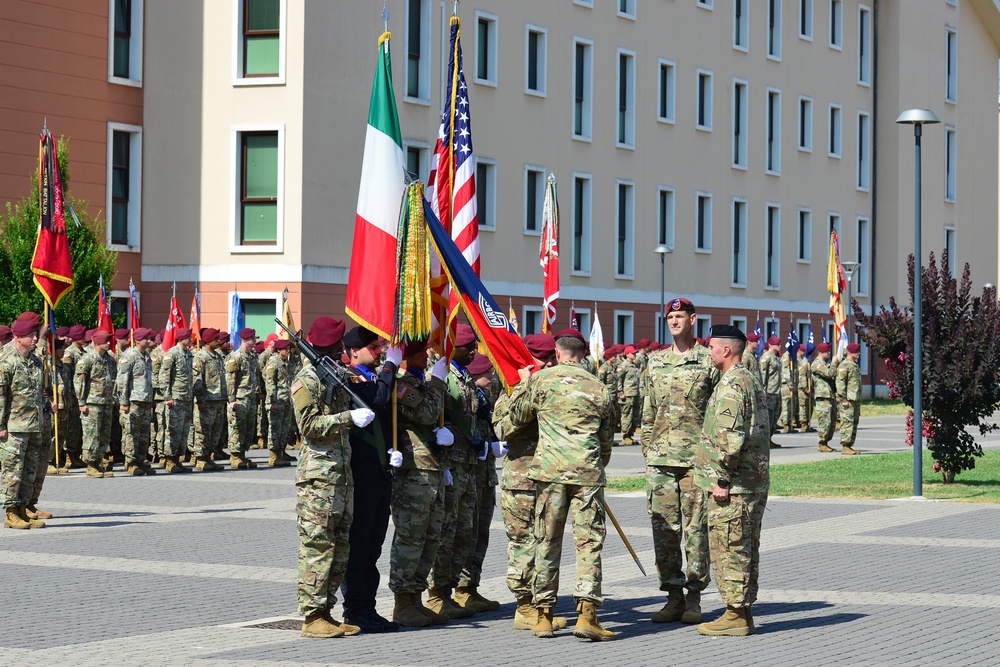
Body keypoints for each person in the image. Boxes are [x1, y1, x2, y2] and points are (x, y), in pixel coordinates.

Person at [506, 329, 615, 641]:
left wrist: (524, 385)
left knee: (546, 542)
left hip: (549, 473)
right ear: (582, 354)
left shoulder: (542, 380)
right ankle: (587, 616)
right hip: (588, 475)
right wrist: (594, 465)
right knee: (589, 544)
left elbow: (516, 416)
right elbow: (606, 441)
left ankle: (542, 616)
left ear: (557, 353)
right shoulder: (599, 387)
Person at [292, 316, 373, 638]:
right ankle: (312, 617)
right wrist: (347, 417)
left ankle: (327, 612)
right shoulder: (307, 380)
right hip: (318, 478)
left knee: (339, 547)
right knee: (318, 546)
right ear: (335, 344)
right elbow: (309, 426)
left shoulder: (332, 375)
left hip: (341, 475)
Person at [641, 297, 719, 624]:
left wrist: (712, 457)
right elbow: (648, 411)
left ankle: (694, 598)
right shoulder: (655, 361)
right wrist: (648, 447)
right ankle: (673, 596)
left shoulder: (708, 361)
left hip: (695, 461)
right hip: (660, 460)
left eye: (680, 316)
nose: (674, 321)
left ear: (692, 319)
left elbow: (717, 413)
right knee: (665, 531)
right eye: (670, 316)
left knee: (697, 531)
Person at [696, 324, 770, 637]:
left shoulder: (732, 385)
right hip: (751, 481)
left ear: (726, 350)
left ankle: (735, 614)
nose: (708, 351)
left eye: (711, 346)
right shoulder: (748, 377)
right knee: (744, 546)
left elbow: (730, 437)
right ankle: (744, 610)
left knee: (730, 546)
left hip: (735, 485)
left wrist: (722, 478)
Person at [492, 332, 567, 632]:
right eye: (542, 358)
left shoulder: (557, 388)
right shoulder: (512, 390)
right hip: (521, 480)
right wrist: (525, 392)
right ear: (527, 360)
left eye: (552, 358)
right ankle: (524, 606)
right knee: (523, 542)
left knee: (546, 543)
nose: (548, 363)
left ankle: (542, 604)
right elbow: (501, 428)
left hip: (552, 478)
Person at [340, 325, 401, 633]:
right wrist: (391, 365)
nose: (380, 352)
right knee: (359, 545)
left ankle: (369, 607)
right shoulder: (350, 379)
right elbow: (376, 401)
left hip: (380, 471)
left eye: (380, 348)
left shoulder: (374, 377)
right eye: (375, 348)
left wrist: (395, 450)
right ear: (354, 352)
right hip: (361, 475)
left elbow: (388, 414)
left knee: (374, 546)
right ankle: (354, 609)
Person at [388, 339, 453, 628]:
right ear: (407, 356)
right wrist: (438, 382)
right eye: (421, 352)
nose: (427, 356)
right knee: (411, 538)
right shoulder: (401, 386)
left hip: (433, 469)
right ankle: (402, 604)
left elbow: (438, 416)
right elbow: (426, 413)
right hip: (414, 473)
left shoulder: (423, 384)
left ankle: (416, 598)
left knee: (431, 537)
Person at [426, 324, 482, 620]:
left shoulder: (464, 375)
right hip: (450, 463)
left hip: (468, 463)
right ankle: (437, 594)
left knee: (464, 531)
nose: (474, 351)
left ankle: (457, 591)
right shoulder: (441, 375)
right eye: (468, 346)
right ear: (453, 347)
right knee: (445, 531)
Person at [455, 352, 501, 613]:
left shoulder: (484, 398)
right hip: (469, 473)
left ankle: (470, 587)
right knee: (465, 533)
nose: (492, 376)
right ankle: (459, 588)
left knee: (480, 532)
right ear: (475, 375)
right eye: (488, 373)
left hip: (484, 474)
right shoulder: (467, 396)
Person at [0, 318, 48, 529]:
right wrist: (1, 426)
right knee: (13, 471)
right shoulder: (7, 362)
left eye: (36, 334)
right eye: (31, 335)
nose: (35, 338)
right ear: (18, 337)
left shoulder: (36, 361)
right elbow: (1, 397)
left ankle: (23, 508)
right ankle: (10, 512)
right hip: (14, 427)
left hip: (34, 425)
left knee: (29, 470)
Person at [75, 329, 117, 478]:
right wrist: (81, 402)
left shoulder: (110, 359)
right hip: (92, 402)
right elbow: (80, 381)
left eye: (109, 341)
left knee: (104, 434)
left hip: (106, 402)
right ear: (98, 342)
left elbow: (113, 379)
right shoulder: (88, 359)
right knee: (91, 435)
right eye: (105, 341)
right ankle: (91, 466)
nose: (108, 343)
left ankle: (99, 461)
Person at [116, 327, 157, 476]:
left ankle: (140, 460)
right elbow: (122, 380)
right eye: (146, 338)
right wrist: (124, 401)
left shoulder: (146, 356)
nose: (148, 340)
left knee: (144, 433)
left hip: (145, 401)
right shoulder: (130, 356)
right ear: (138, 340)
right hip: (133, 401)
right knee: (131, 433)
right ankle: (130, 462)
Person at [159, 327, 194, 473]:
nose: (191, 339)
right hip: (175, 398)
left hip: (186, 398)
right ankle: (169, 460)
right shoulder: (172, 353)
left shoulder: (188, 354)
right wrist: (167, 397)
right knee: (173, 430)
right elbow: (164, 376)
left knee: (184, 430)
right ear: (182, 338)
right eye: (189, 337)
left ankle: (178, 459)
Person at [192, 328, 227, 471]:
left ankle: (209, 457)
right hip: (207, 401)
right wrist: (200, 400)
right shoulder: (201, 357)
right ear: (207, 341)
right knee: (203, 432)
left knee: (215, 432)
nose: (219, 341)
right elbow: (197, 379)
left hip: (218, 399)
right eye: (216, 339)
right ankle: (200, 459)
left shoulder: (218, 356)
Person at [225, 328, 260, 469]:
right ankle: (235, 457)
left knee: (248, 428)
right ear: (245, 340)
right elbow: (230, 380)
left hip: (250, 397)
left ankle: (243, 456)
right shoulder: (236, 357)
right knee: (237, 427)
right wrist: (231, 399)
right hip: (239, 398)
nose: (255, 341)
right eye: (253, 339)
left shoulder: (252, 356)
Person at [263, 338, 295, 467]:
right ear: (279, 350)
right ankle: (273, 456)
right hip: (277, 401)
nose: (288, 351)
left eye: (288, 349)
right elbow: (270, 383)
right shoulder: (273, 363)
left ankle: (281, 453)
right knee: (275, 429)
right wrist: (273, 401)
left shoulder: (286, 363)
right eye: (285, 349)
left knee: (284, 428)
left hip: (286, 400)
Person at [811, 342, 838, 452]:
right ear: (821, 352)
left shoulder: (825, 363)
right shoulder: (817, 364)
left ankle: (826, 442)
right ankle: (822, 443)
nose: (829, 353)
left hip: (829, 395)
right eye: (828, 351)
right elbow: (829, 373)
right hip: (822, 396)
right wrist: (834, 363)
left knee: (831, 422)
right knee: (824, 421)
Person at [837, 343, 863, 455]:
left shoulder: (854, 365)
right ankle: (845, 446)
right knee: (847, 422)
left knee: (854, 422)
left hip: (855, 399)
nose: (859, 354)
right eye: (857, 352)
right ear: (851, 353)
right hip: (847, 399)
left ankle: (850, 445)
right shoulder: (845, 365)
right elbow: (840, 383)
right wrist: (843, 399)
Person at [759, 337, 783, 448]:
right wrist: (764, 391)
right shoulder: (766, 357)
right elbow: (763, 375)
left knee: (775, 416)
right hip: (769, 392)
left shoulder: (776, 358)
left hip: (777, 391)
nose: (779, 346)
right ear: (770, 345)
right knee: (768, 417)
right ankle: (764, 440)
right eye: (777, 344)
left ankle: (770, 438)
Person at [619, 346, 641, 445]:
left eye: (635, 353)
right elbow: (618, 380)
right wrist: (620, 393)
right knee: (627, 415)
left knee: (635, 415)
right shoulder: (623, 366)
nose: (635, 355)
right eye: (633, 353)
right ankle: (625, 436)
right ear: (627, 354)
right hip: (627, 394)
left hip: (636, 393)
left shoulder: (635, 366)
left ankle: (630, 435)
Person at [779, 342, 798, 433]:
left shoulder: (792, 356)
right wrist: (790, 382)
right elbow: (785, 370)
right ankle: (786, 424)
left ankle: (790, 423)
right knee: (786, 405)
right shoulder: (786, 357)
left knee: (791, 404)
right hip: (786, 384)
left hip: (791, 384)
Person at [797, 344, 813, 432]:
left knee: (809, 405)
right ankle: (803, 424)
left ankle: (807, 422)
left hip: (808, 387)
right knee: (803, 406)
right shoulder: (804, 363)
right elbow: (802, 376)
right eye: (802, 350)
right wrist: (806, 389)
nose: (804, 352)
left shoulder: (806, 361)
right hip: (803, 388)